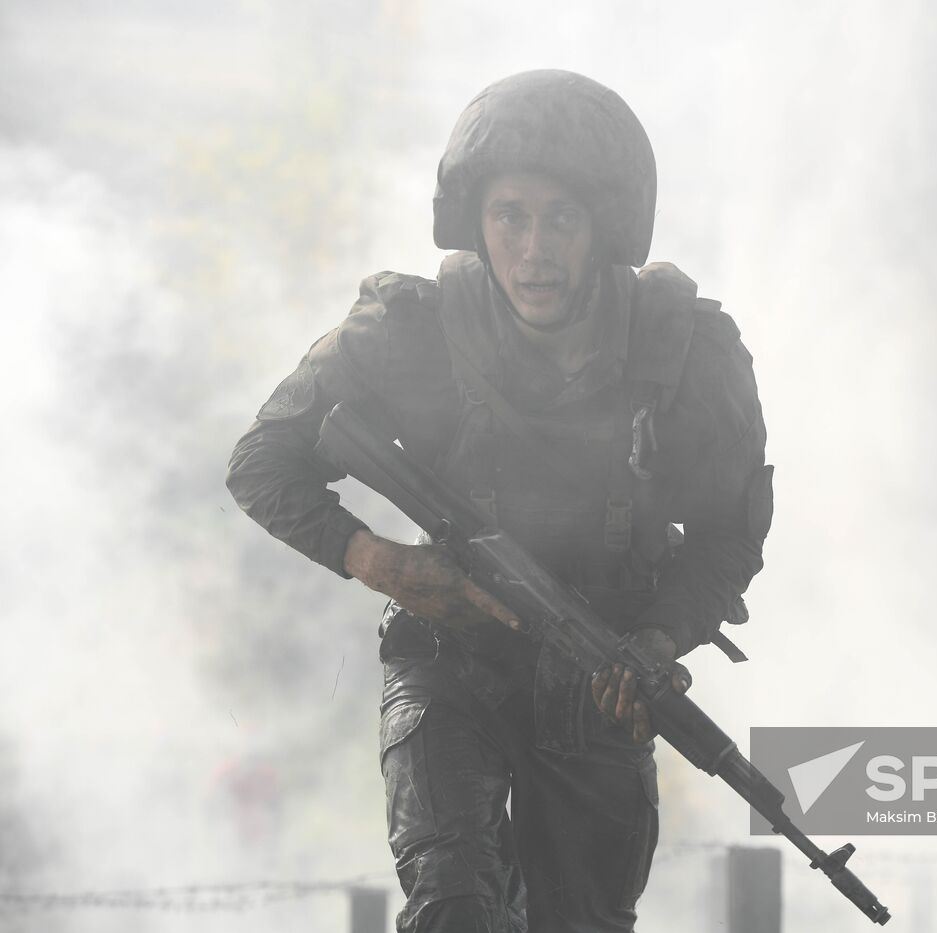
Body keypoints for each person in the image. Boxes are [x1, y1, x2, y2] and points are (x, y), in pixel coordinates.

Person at [225, 69, 772, 933]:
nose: (534, 250)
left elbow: (727, 536)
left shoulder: (684, 356)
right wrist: (385, 564)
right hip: (451, 656)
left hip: (600, 677)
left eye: (562, 218)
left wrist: (657, 643)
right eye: (509, 216)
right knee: (453, 909)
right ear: (476, 222)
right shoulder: (410, 333)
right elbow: (263, 461)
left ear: (606, 226)